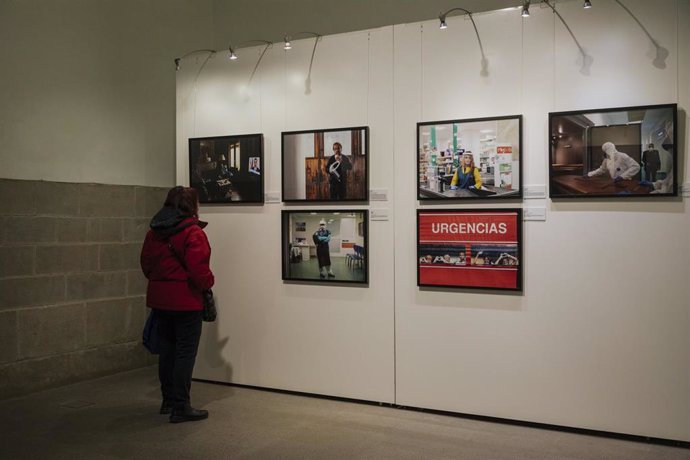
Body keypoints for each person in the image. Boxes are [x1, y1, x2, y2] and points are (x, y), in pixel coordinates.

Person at [140, 186, 215, 423]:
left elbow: (146, 264)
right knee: (184, 353)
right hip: (185, 301)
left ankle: (168, 401)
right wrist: (208, 283)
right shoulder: (192, 232)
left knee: (168, 351)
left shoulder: (154, 232)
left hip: (160, 300)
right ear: (191, 205)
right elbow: (199, 270)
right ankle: (181, 406)